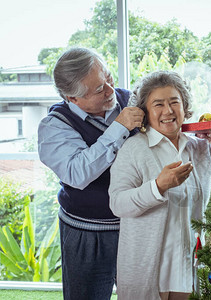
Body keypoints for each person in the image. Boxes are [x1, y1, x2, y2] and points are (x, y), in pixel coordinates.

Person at [37, 47, 145, 300]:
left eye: (108, 77)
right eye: (99, 89)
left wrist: (198, 134)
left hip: (134, 225)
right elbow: (78, 173)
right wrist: (119, 129)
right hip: (86, 232)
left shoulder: (130, 100)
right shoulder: (54, 126)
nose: (110, 89)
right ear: (72, 98)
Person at [109, 70, 211, 300]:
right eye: (158, 104)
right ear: (145, 112)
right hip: (150, 265)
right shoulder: (133, 149)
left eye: (174, 102)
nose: (168, 111)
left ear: (184, 106)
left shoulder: (200, 148)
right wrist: (158, 186)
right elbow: (118, 204)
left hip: (187, 263)